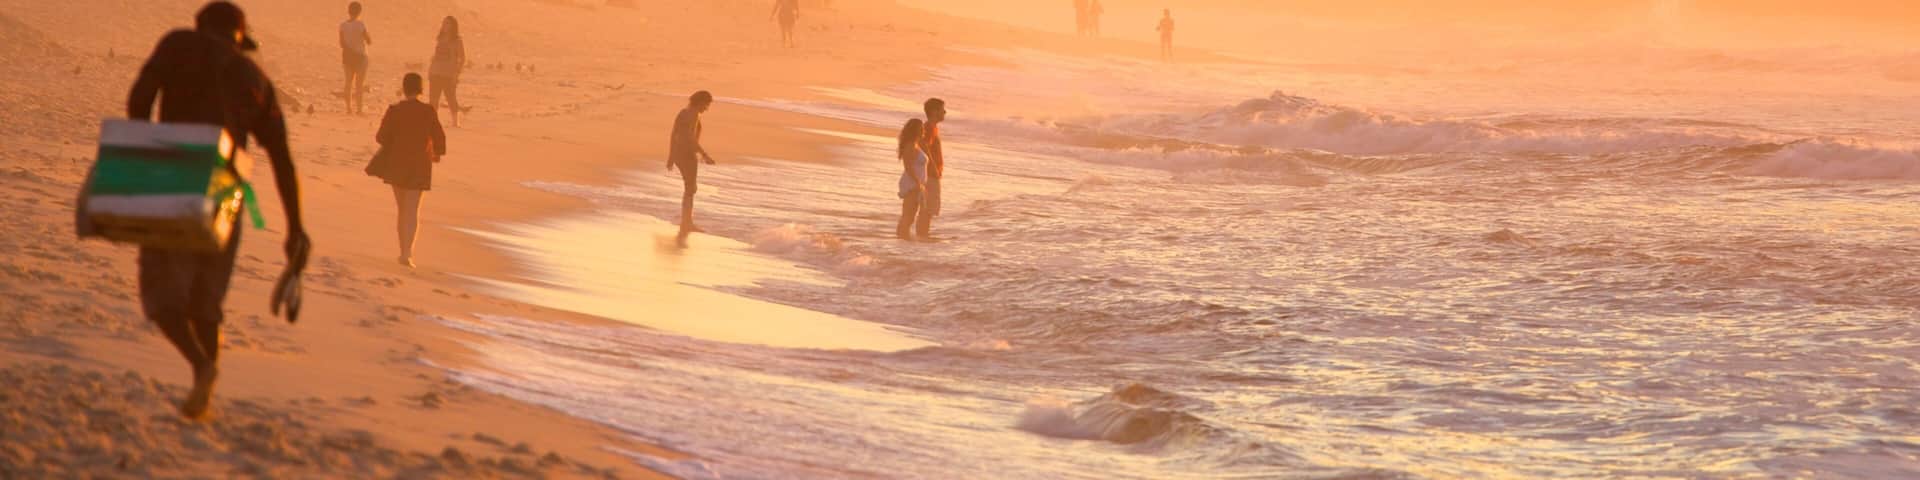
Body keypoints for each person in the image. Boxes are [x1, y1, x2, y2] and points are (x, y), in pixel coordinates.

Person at [125, 1, 310, 420]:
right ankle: (202, 392)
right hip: (228, 190)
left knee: (161, 295)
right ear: (239, 38)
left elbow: (140, 97)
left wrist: (143, 152)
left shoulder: (178, 45)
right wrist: (295, 229)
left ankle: (200, 366)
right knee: (206, 302)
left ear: (201, 24)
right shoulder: (254, 76)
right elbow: (282, 159)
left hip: (177, 172)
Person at [365, 73, 446, 268]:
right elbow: (439, 137)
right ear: (420, 89)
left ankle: (403, 252)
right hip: (419, 164)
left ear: (404, 88)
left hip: (397, 164)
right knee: (412, 210)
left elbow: (381, 137)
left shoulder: (394, 110)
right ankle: (407, 254)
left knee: (402, 210)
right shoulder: (428, 111)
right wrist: (437, 153)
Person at [667, 91, 717, 241]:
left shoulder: (683, 112)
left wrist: (671, 156)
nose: (707, 108)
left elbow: (673, 134)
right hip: (686, 155)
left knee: (690, 188)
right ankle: (687, 223)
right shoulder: (693, 115)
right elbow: (690, 139)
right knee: (691, 188)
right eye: (706, 104)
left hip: (679, 153)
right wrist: (704, 154)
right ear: (700, 102)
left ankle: (686, 222)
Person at [914, 98, 946, 239]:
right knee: (927, 209)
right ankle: (922, 236)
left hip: (929, 174)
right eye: (942, 109)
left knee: (927, 209)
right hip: (930, 175)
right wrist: (932, 166)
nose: (945, 112)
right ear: (934, 111)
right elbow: (922, 144)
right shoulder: (929, 127)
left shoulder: (931, 127)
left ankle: (922, 235)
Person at [427, 16, 467, 127]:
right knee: (433, 99)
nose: (445, 26)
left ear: (453, 26)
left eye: (448, 24)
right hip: (435, 72)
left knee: (451, 98)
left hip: (448, 74)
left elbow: (462, 58)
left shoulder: (457, 41)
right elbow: (436, 56)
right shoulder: (440, 38)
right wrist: (430, 69)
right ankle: (432, 122)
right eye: (444, 23)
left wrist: (457, 73)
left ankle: (455, 122)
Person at [896, 119, 928, 240]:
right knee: (908, 215)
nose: (923, 130)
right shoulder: (910, 145)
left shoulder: (915, 144)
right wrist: (918, 183)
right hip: (912, 184)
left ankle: (903, 238)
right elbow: (908, 167)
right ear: (916, 130)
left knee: (910, 216)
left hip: (916, 184)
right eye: (921, 128)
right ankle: (901, 238)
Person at [339, 1, 373, 114]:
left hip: (347, 57)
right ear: (359, 12)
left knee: (348, 83)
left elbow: (341, 43)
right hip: (360, 57)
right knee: (359, 84)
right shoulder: (360, 24)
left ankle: (348, 108)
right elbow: (368, 41)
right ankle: (359, 109)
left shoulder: (342, 26)